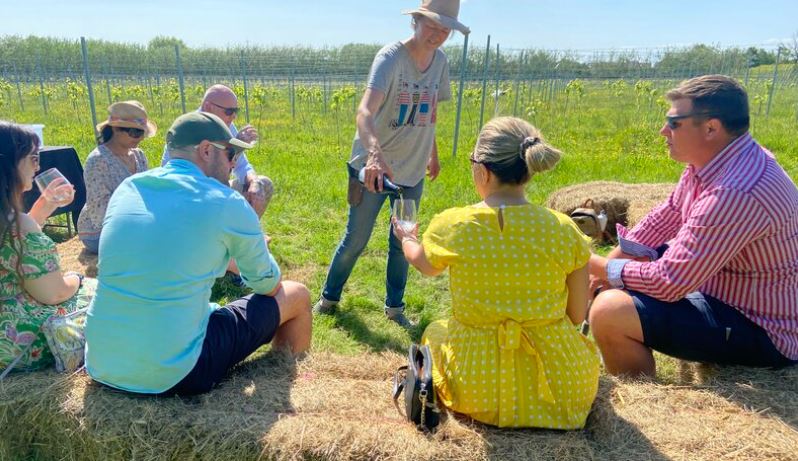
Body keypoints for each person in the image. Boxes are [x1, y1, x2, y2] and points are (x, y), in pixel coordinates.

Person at [393, 117, 600, 428]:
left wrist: (408, 239)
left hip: (476, 387)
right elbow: (575, 316)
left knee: (435, 330)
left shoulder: (454, 225)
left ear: (483, 170)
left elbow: (424, 264)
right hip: (561, 388)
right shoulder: (564, 229)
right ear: (529, 169)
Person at [85, 112, 311, 396]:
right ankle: (283, 386)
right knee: (297, 294)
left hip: (102, 363)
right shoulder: (225, 201)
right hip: (175, 373)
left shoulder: (129, 188)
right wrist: (243, 257)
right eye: (231, 153)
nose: (234, 164)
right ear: (206, 150)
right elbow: (268, 285)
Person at [588, 75, 798, 378]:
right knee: (628, 268)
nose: (663, 131)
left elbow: (670, 282)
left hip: (762, 328)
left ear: (711, 127)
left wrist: (596, 267)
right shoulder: (715, 160)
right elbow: (666, 215)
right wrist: (612, 265)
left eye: (674, 123)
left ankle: (644, 411)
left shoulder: (736, 191)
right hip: (724, 293)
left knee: (609, 313)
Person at [314, 0, 469, 328]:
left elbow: (430, 112)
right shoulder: (390, 58)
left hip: (411, 173)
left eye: (445, 29)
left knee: (404, 240)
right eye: (432, 26)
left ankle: (395, 308)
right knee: (356, 238)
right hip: (375, 172)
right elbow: (365, 112)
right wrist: (373, 156)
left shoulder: (440, 62)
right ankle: (329, 298)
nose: (438, 35)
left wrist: (433, 152)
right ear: (416, 21)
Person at [0, 121, 95, 373]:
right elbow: (53, 294)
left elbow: (13, 244)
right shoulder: (16, 223)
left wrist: (43, 206)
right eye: (32, 158)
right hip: (12, 341)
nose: (38, 166)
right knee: (102, 292)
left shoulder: (11, 223)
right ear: (8, 164)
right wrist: (77, 279)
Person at [161, 84, 273, 218]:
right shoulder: (187, 129)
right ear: (208, 107)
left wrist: (254, 182)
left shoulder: (225, 126)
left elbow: (242, 166)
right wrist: (235, 150)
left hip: (216, 187)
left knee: (263, 185)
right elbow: (179, 179)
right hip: (191, 194)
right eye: (229, 111)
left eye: (235, 111)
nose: (233, 117)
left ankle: (247, 233)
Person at [77, 100, 155, 254]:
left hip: (133, 222)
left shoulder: (139, 156)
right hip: (100, 231)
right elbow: (99, 213)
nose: (140, 138)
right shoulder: (98, 160)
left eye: (142, 133)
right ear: (115, 129)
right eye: (135, 132)